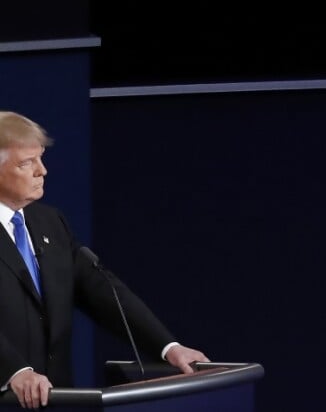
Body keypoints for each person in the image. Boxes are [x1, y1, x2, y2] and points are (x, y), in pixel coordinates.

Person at [0, 111, 209, 409]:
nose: (42, 171)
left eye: (41, 158)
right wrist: (13, 372)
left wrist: (169, 348)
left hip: (56, 400)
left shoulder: (50, 222)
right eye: (26, 163)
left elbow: (102, 291)